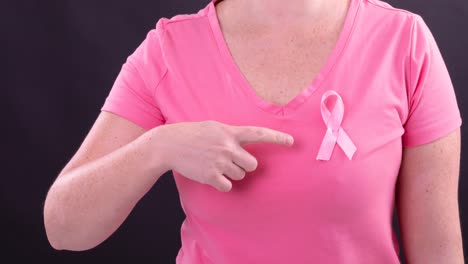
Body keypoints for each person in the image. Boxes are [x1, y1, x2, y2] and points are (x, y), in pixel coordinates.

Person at [43, 0, 464, 262]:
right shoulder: (167, 52)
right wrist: (160, 147)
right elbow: (64, 229)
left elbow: (438, 251)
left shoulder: (404, 43)